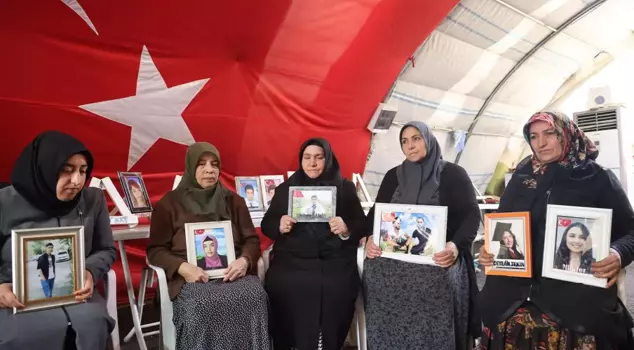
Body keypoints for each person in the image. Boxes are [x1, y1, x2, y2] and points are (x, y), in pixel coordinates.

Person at [478, 111, 634, 349]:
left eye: (549, 133)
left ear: (565, 134)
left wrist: (617, 254)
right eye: (533, 136)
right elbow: (502, 226)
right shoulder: (521, 177)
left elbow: (630, 231)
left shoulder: (597, 177)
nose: (540, 143)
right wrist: (489, 252)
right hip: (510, 297)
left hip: (574, 301)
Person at [364, 121, 481, 349]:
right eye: (404, 141)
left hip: (439, 257)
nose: (410, 146)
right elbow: (375, 216)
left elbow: (471, 216)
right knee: (373, 271)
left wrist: (455, 247)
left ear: (428, 139)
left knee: (437, 277)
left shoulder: (453, 174)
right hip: (395, 258)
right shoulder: (393, 176)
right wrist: (370, 238)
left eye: (416, 138)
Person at [146, 142, 269, 350]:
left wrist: (244, 261)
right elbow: (156, 250)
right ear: (191, 167)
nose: (209, 170)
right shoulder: (169, 204)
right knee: (202, 306)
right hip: (190, 278)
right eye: (201, 164)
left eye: (214, 164)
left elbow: (252, 240)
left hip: (232, 274)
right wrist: (183, 268)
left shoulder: (234, 201)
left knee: (255, 297)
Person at [0, 131, 117, 350]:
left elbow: (106, 249)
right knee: (22, 335)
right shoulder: (4, 203)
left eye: (83, 171)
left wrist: (90, 271)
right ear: (45, 168)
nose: (77, 181)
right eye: (67, 170)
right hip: (16, 301)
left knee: (93, 323)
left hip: (77, 297)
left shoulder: (93, 200)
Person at [261, 138, 367, 350]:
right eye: (307, 158)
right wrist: (279, 224)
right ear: (301, 160)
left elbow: (361, 224)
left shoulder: (344, 188)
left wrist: (346, 228)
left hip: (335, 259)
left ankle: (324, 344)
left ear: (328, 160)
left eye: (319, 157)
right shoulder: (287, 188)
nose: (312, 163)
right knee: (284, 285)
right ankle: (293, 345)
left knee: (336, 288)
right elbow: (267, 223)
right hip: (293, 259)